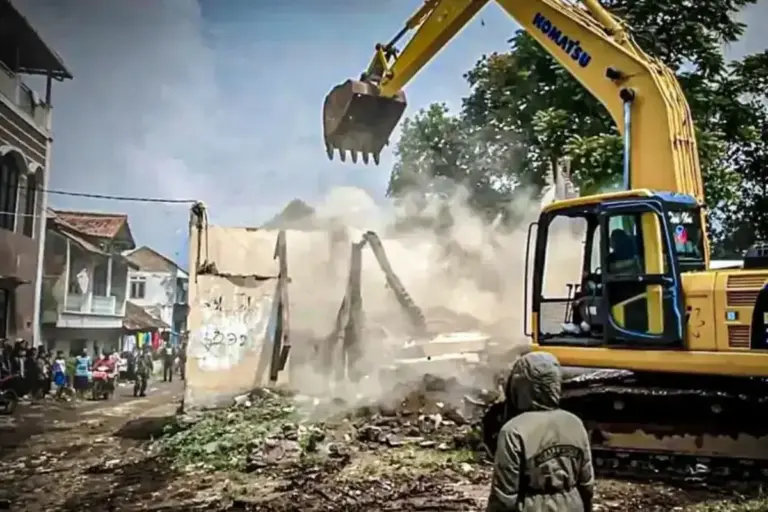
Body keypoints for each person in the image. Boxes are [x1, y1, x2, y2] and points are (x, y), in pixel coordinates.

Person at [487, 352, 594, 512]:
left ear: (522, 386)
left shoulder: (513, 431)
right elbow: (586, 484)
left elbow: (504, 496)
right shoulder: (575, 423)